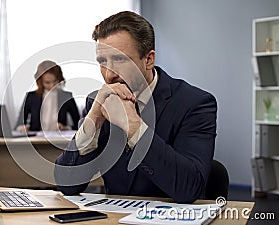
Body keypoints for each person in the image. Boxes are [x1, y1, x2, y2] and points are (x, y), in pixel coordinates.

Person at [54, 11, 217, 203]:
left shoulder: (195, 103)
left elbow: (189, 188)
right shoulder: (98, 102)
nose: (108, 75)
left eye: (120, 59)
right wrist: (94, 119)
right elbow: (67, 184)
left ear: (148, 59)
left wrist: (133, 126)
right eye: (102, 62)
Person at [15, 60, 80, 132]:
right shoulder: (31, 97)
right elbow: (19, 124)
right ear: (40, 81)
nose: (52, 85)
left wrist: (66, 128)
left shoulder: (66, 96)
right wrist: (22, 128)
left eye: (55, 82)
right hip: (37, 139)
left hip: (59, 139)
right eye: (47, 82)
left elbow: (79, 124)